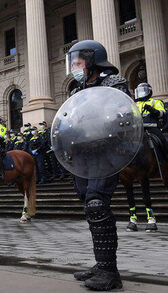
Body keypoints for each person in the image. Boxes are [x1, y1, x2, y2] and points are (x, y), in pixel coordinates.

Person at [67, 39, 128, 290]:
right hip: (84, 156)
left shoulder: (114, 85)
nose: (74, 67)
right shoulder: (76, 91)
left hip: (107, 153)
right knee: (89, 203)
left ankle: (110, 272)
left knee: (96, 203)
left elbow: (123, 117)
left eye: (78, 62)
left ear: (92, 62)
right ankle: (101, 264)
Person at [128, 82, 166, 232]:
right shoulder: (134, 105)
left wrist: (155, 112)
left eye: (143, 90)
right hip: (137, 132)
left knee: (162, 141)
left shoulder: (156, 101)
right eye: (139, 91)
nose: (141, 93)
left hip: (152, 129)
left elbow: (163, 114)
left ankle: (164, 161)